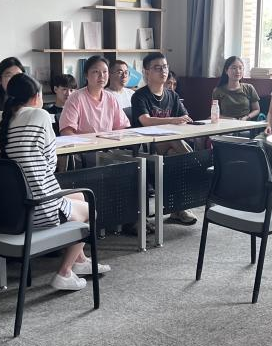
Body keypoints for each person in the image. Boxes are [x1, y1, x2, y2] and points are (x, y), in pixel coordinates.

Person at [0, 74, 109, 290]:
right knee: (90, 209)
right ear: (36, 97)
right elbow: (51, 165)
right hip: (35, 210)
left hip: (3, 212)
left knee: (79, 196)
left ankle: (79, 260)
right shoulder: (40, 116)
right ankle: (64, 273)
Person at [131, 52, 197, 226]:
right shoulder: (139, 95)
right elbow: (145, 121)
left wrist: (177, 122)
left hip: (169, 146)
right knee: (176, 145)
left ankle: (178, 209)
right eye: (157, 68)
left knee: (174, 154)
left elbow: (185, 118)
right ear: (146, 72)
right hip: (147, 145)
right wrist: (172, 120)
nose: (163, 71)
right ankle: (196, 167)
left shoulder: (172, 95)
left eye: (165, 67)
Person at [59, 56, 130, 136]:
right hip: (84, 143)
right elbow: (66, 132)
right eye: (96, 72)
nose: (101, 76)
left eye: (105, 72)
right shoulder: (75, 98)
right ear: (86, 75)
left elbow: (121, 127)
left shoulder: (111, 98)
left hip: (108, 143)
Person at [212, 56, 260, 121]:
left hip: (245, 124)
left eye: (240, 68)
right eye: (234, 68)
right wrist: (231, 119)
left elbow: (256, 109)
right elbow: (214, 113)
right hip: (226, 124)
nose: (238, 71)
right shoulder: (218, 91)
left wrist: (247, 117)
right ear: (226, 71)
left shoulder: (249, 88)